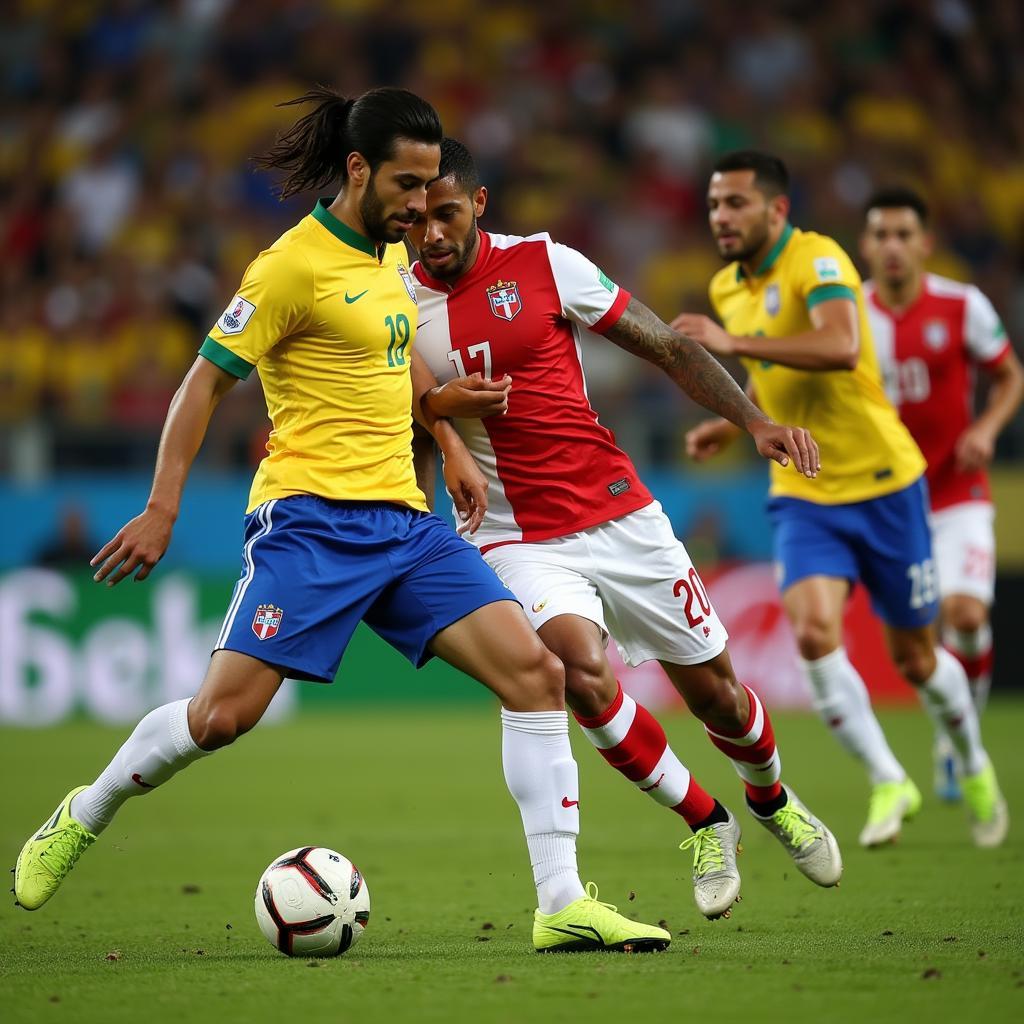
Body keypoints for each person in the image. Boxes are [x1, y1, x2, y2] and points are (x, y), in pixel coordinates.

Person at [13, 87, 672, 955]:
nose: (420, 207)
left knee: (535, 675)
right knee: (219, 720)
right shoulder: (289, 268)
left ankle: (559, 903)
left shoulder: (388, 269)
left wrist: (448, 433)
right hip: (312, 525)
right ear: (358, 169)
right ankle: (84, 810)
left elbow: (387, 374)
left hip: (405, 522)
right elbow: (204, 381)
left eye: (432, 184)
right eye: (406, 184)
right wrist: (162, 505)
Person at [406, 137, 842, 924]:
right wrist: (436, 417)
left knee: (719, 699)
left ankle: (772, 799)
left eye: (445, 215)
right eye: (416, 222)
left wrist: (754, 420)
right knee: (575, 669)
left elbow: (668, 346)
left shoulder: (546, 264)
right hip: (511, 534)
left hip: (619, 515)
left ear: (477, 204)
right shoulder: (393, 301)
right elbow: (388, 397)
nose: (431, 234)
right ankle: (708, 823)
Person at [680, 150, 1008, 848]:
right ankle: (889, 777)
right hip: (805, 488)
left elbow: (836, 343)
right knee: (812, 633)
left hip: (886, 483)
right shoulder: (726, 286)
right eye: (713, 205)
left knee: (917, 658)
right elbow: (771, 371)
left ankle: (973, 761)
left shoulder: (819, 259)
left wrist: (731, 341)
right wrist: (734, 419)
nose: (721, 217)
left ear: (776, 210)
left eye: (735, 203)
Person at [860, 186, 1024, 800]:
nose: (893, 247)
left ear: (925, 244)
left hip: (958, 492)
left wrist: (984, 429)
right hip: (888, 501)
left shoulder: (963, 306)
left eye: (904, 234)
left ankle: (963, 744)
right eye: (881, 235)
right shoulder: (849, 314)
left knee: (966, 615)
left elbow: (1010, 376)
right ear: (866, 245)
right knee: (918, 643)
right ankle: (952, 731)